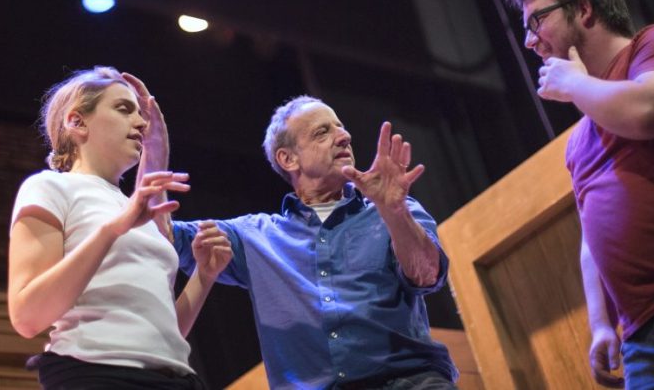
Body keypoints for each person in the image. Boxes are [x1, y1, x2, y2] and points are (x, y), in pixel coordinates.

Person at [139, 95, 458, 389]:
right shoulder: (255, 236)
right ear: (288, 159)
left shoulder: (392, 211)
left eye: (341, 128)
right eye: (322, 133)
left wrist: (394, 211)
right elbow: (160, 236)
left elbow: (427, 275)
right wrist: (154, 154)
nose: (344, 136)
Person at [502, 0, 654, 389]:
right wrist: (602, 324)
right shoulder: (580, 136)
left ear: (583, 9)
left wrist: (574, 83)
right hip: (641, 337)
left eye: (536, 20)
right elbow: (590, 237)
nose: (529, 41)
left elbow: (646, 112)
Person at [8, 66, 232, 389]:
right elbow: (27, 316)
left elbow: (162, 330)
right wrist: (112, 230)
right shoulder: (51, 188)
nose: (141, 123)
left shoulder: (135, 210)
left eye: (141, 115)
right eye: (124, 109)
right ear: (77, 121)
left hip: (175, 378)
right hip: (96, 373)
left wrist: (204, 276)